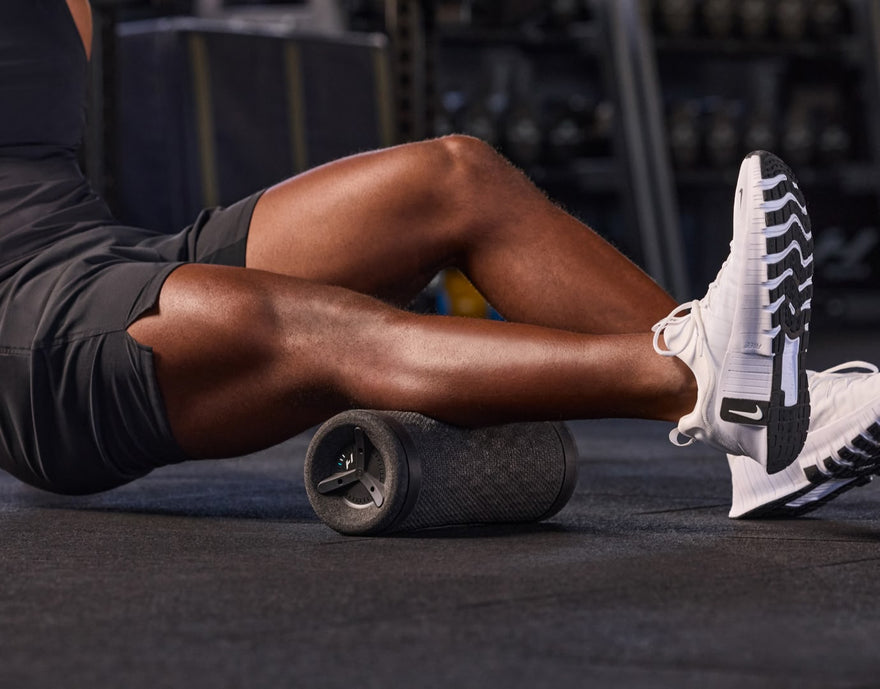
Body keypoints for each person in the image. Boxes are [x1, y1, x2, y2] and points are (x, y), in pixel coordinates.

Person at [1, 1, 877, 518]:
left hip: (93, 246)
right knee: (309, 328)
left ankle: (765, 440)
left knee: (456, 178)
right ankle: (705, 380)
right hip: (25, 333)